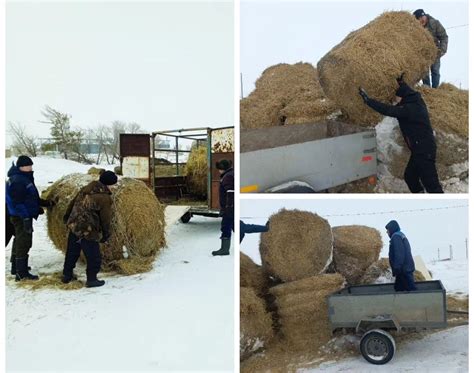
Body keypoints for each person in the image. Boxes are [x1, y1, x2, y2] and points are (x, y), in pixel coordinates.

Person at [359, 77, 443, 193]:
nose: (395, 100)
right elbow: (405, 91)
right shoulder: (416, 101)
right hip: (419, 149)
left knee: (432, 184)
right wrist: (401, 82)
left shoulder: (409, 109)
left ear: (403, 96)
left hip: (424, 150)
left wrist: (369, 101)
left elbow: (389, 110)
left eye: (397, 97)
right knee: (410, 177)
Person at [62, 170, 118, 287]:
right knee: (94, 256)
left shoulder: (86, 189)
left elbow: (72, 204)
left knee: (72, 252)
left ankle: (67, 275)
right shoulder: (104, 198)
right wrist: (106, 233)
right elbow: (105, 218)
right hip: (88, 229)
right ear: (109, 184)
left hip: (74, 226)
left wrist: (67, 218)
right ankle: (92, 280)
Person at [6, 156, 54, 280]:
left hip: (21, 215)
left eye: (31, 165)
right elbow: (18, 202)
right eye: (28, 166)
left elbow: (30, 197)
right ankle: (21, 273)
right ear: (21, 167)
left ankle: (16, 267)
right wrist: (26, 218)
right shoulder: (18, 180)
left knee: (19, 239)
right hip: (21, 216)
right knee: (24, 241)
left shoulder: (23, 177)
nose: (31, 168)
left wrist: (44, 203)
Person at [413, 9, 448, 88]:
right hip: (423, 54)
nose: (422, 19)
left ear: (425, 16)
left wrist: (442, 50)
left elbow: (444, 37)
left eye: (423, 17)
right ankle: (427, 89)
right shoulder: (415, 28)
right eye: (419, 18)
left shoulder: (434, 23)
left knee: (435, 71)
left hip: (435, 52)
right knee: (424, 72)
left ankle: (435, 90)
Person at [385, 220, 417, 292]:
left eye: (388, 230)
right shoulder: (401, 235)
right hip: (405, 269)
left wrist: (397, 267)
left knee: (406, 290)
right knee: (401, 289)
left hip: (403, 270)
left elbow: (399, 253)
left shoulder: (396, 237)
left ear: (392, 229)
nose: (387, 232)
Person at [212, 160, 234, 256]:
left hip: (229, 208)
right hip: (232, 207)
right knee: (234, 226)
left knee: (225, 226)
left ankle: (224, 249)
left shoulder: (227, 176)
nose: (218, 171)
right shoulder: (231, 174)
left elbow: (230, 192)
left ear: (222, 168)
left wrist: (228, 207)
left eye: (219, 169)